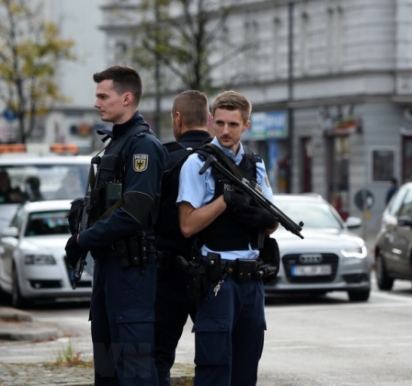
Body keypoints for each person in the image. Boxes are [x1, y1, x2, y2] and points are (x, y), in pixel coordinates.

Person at [64, 65, 164, 386]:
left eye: (102, 96)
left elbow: (134, 210)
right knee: (107, 371)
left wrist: (84, 239)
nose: (97, 103)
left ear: (126, 97)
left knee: (134, 370)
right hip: (109, 269)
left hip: (131, 271)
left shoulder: (142, 146)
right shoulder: (115, 144)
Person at [177, 91, 278, 386]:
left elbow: (272, 220)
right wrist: (224, 201)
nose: (224, 131)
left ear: (246, 125)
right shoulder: (198, 163)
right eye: (219, 123)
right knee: (214, 371)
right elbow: (186, 225)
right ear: (210, 121)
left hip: (251, 280)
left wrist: (265, 220)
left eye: (233, 125)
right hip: (217, 278)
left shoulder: (255, 164)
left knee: (247, 370)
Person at [154, 90, 212, 386]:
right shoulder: (225, 160)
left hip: (168, 274)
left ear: (177, 119)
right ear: (211, 120)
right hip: (215, 274)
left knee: (158, 357)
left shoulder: (162, 158)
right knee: (215, 358)